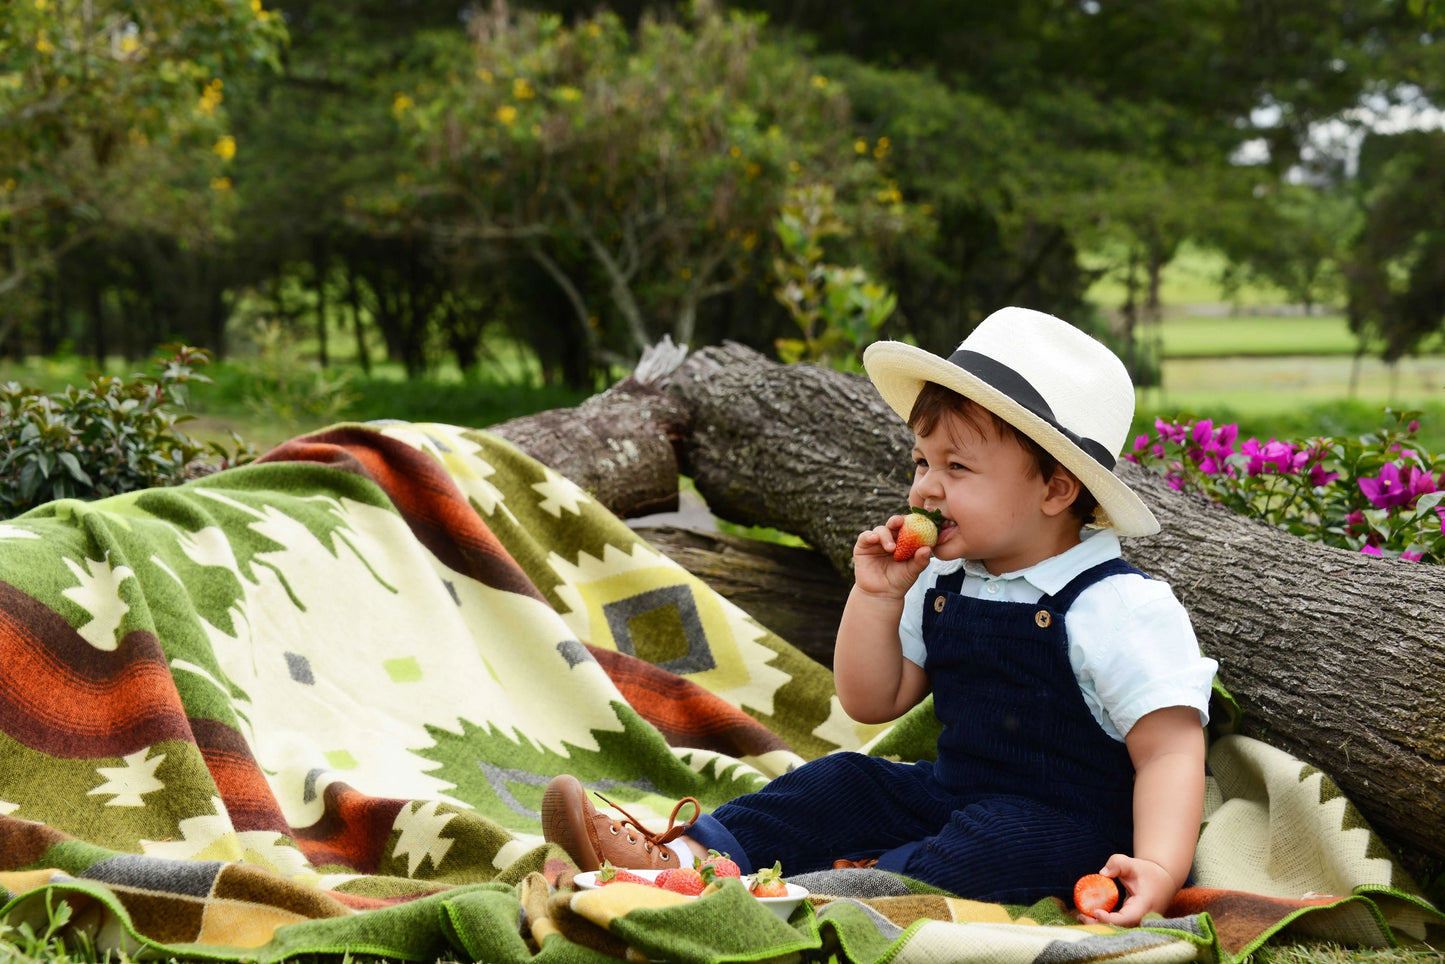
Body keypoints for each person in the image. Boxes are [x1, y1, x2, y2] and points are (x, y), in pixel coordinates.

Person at [542, 306, 1217, 925]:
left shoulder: (1117, 606)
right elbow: (871, 700)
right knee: (845, 778)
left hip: (1064, 823)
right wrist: (877, 595)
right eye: (921, 460)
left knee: (989, 847)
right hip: (951, 792)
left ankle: (837, 897)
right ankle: (692, 857)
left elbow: (1168, 751)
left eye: (957, 466)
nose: (925, 485)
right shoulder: (944, 581)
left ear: (1055, 487)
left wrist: (1156, 867)